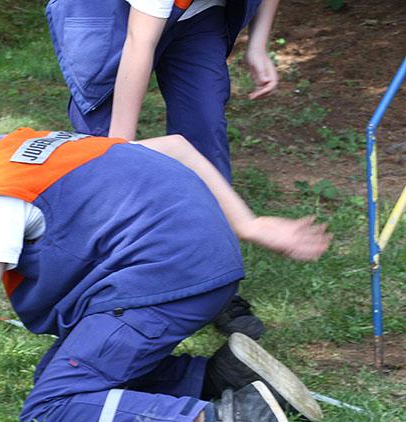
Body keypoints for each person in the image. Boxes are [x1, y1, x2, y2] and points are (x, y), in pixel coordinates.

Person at [0, 101, 330, 422]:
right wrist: (247, 225)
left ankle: (227, 419)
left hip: (163, 282)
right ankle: (223, 377)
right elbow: (177, 147)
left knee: (52, 407)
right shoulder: (41, 144)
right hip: (210, 268)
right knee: (60, 369)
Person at [46, 0, 280, 338]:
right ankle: (97, 288)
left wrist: (258, 45)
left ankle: (212, 283)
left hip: (198, 15)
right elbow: (139, 41)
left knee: (205, 130)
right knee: (102, 152)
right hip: (105, 14)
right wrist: (118, 151)